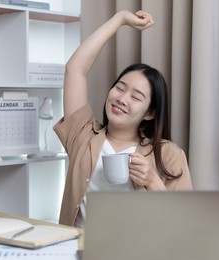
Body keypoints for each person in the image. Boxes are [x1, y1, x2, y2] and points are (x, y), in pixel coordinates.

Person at [53, 10, 193, 227]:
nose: (122, 99)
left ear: (150, 113)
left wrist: (152, 181)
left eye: (136, 97)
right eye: (119, 88)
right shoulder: (83, 135)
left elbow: (184, 224)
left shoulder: (169, 154)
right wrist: (119, 19)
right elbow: (75, 69)